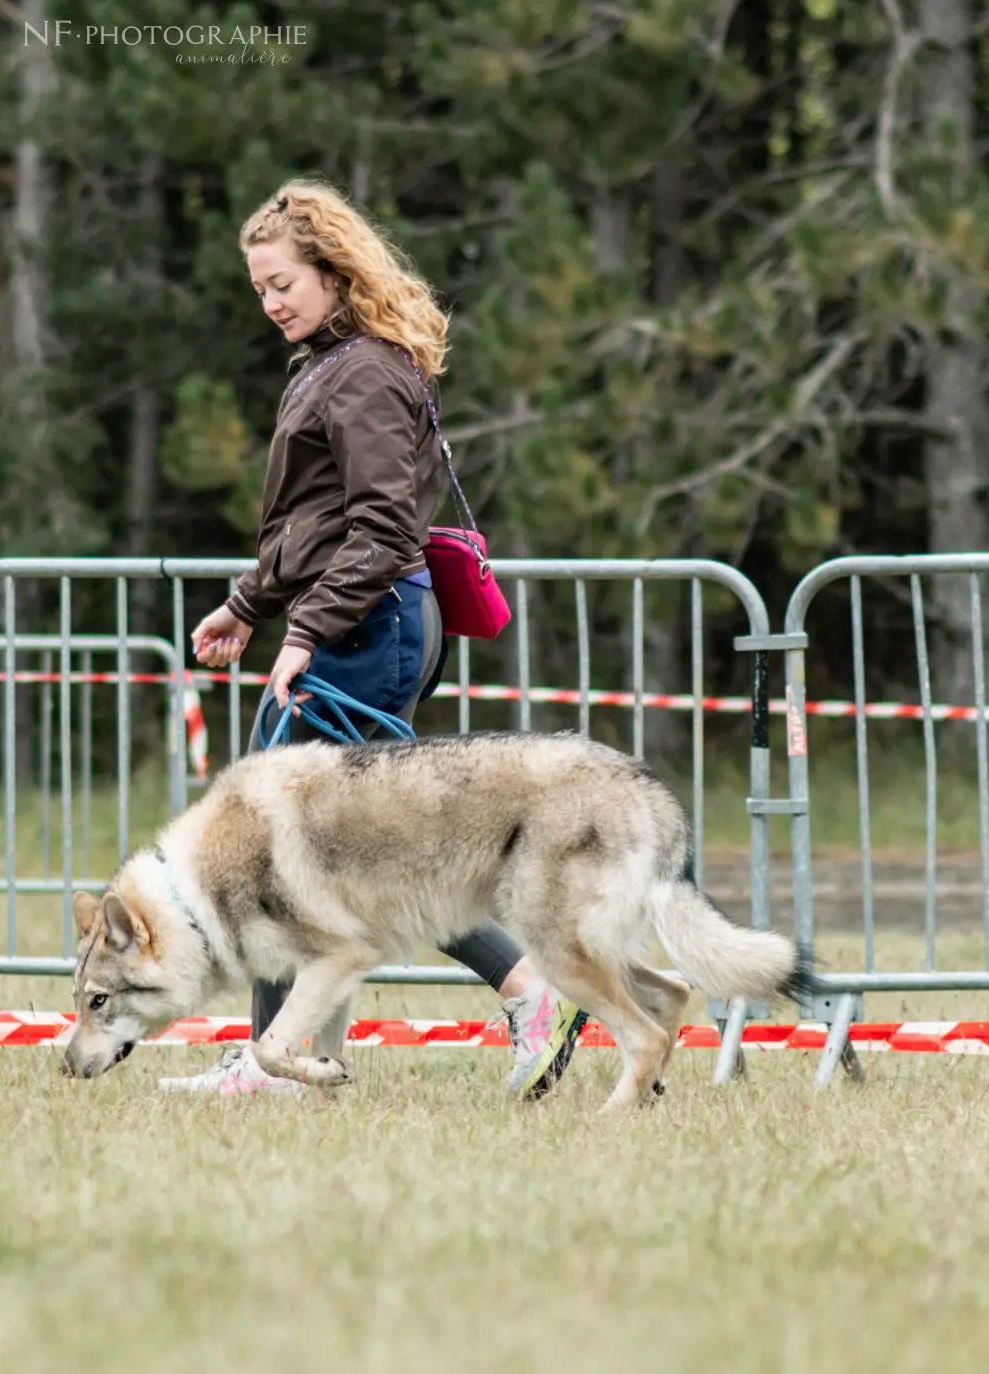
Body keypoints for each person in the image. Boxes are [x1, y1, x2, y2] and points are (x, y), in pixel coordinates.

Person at [157, 179, 588, 1102]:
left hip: (367, 622)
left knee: (283, 848)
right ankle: (298, 1058)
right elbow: (315, 524)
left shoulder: (360, 372)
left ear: (333, 268)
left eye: (284, 283)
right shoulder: (332, 362)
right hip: (367, 617)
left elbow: (382, 530)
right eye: (260, 288)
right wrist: (246, 604)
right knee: (336, 850)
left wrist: (304, 630)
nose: (271, 304)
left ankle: (522, 995)